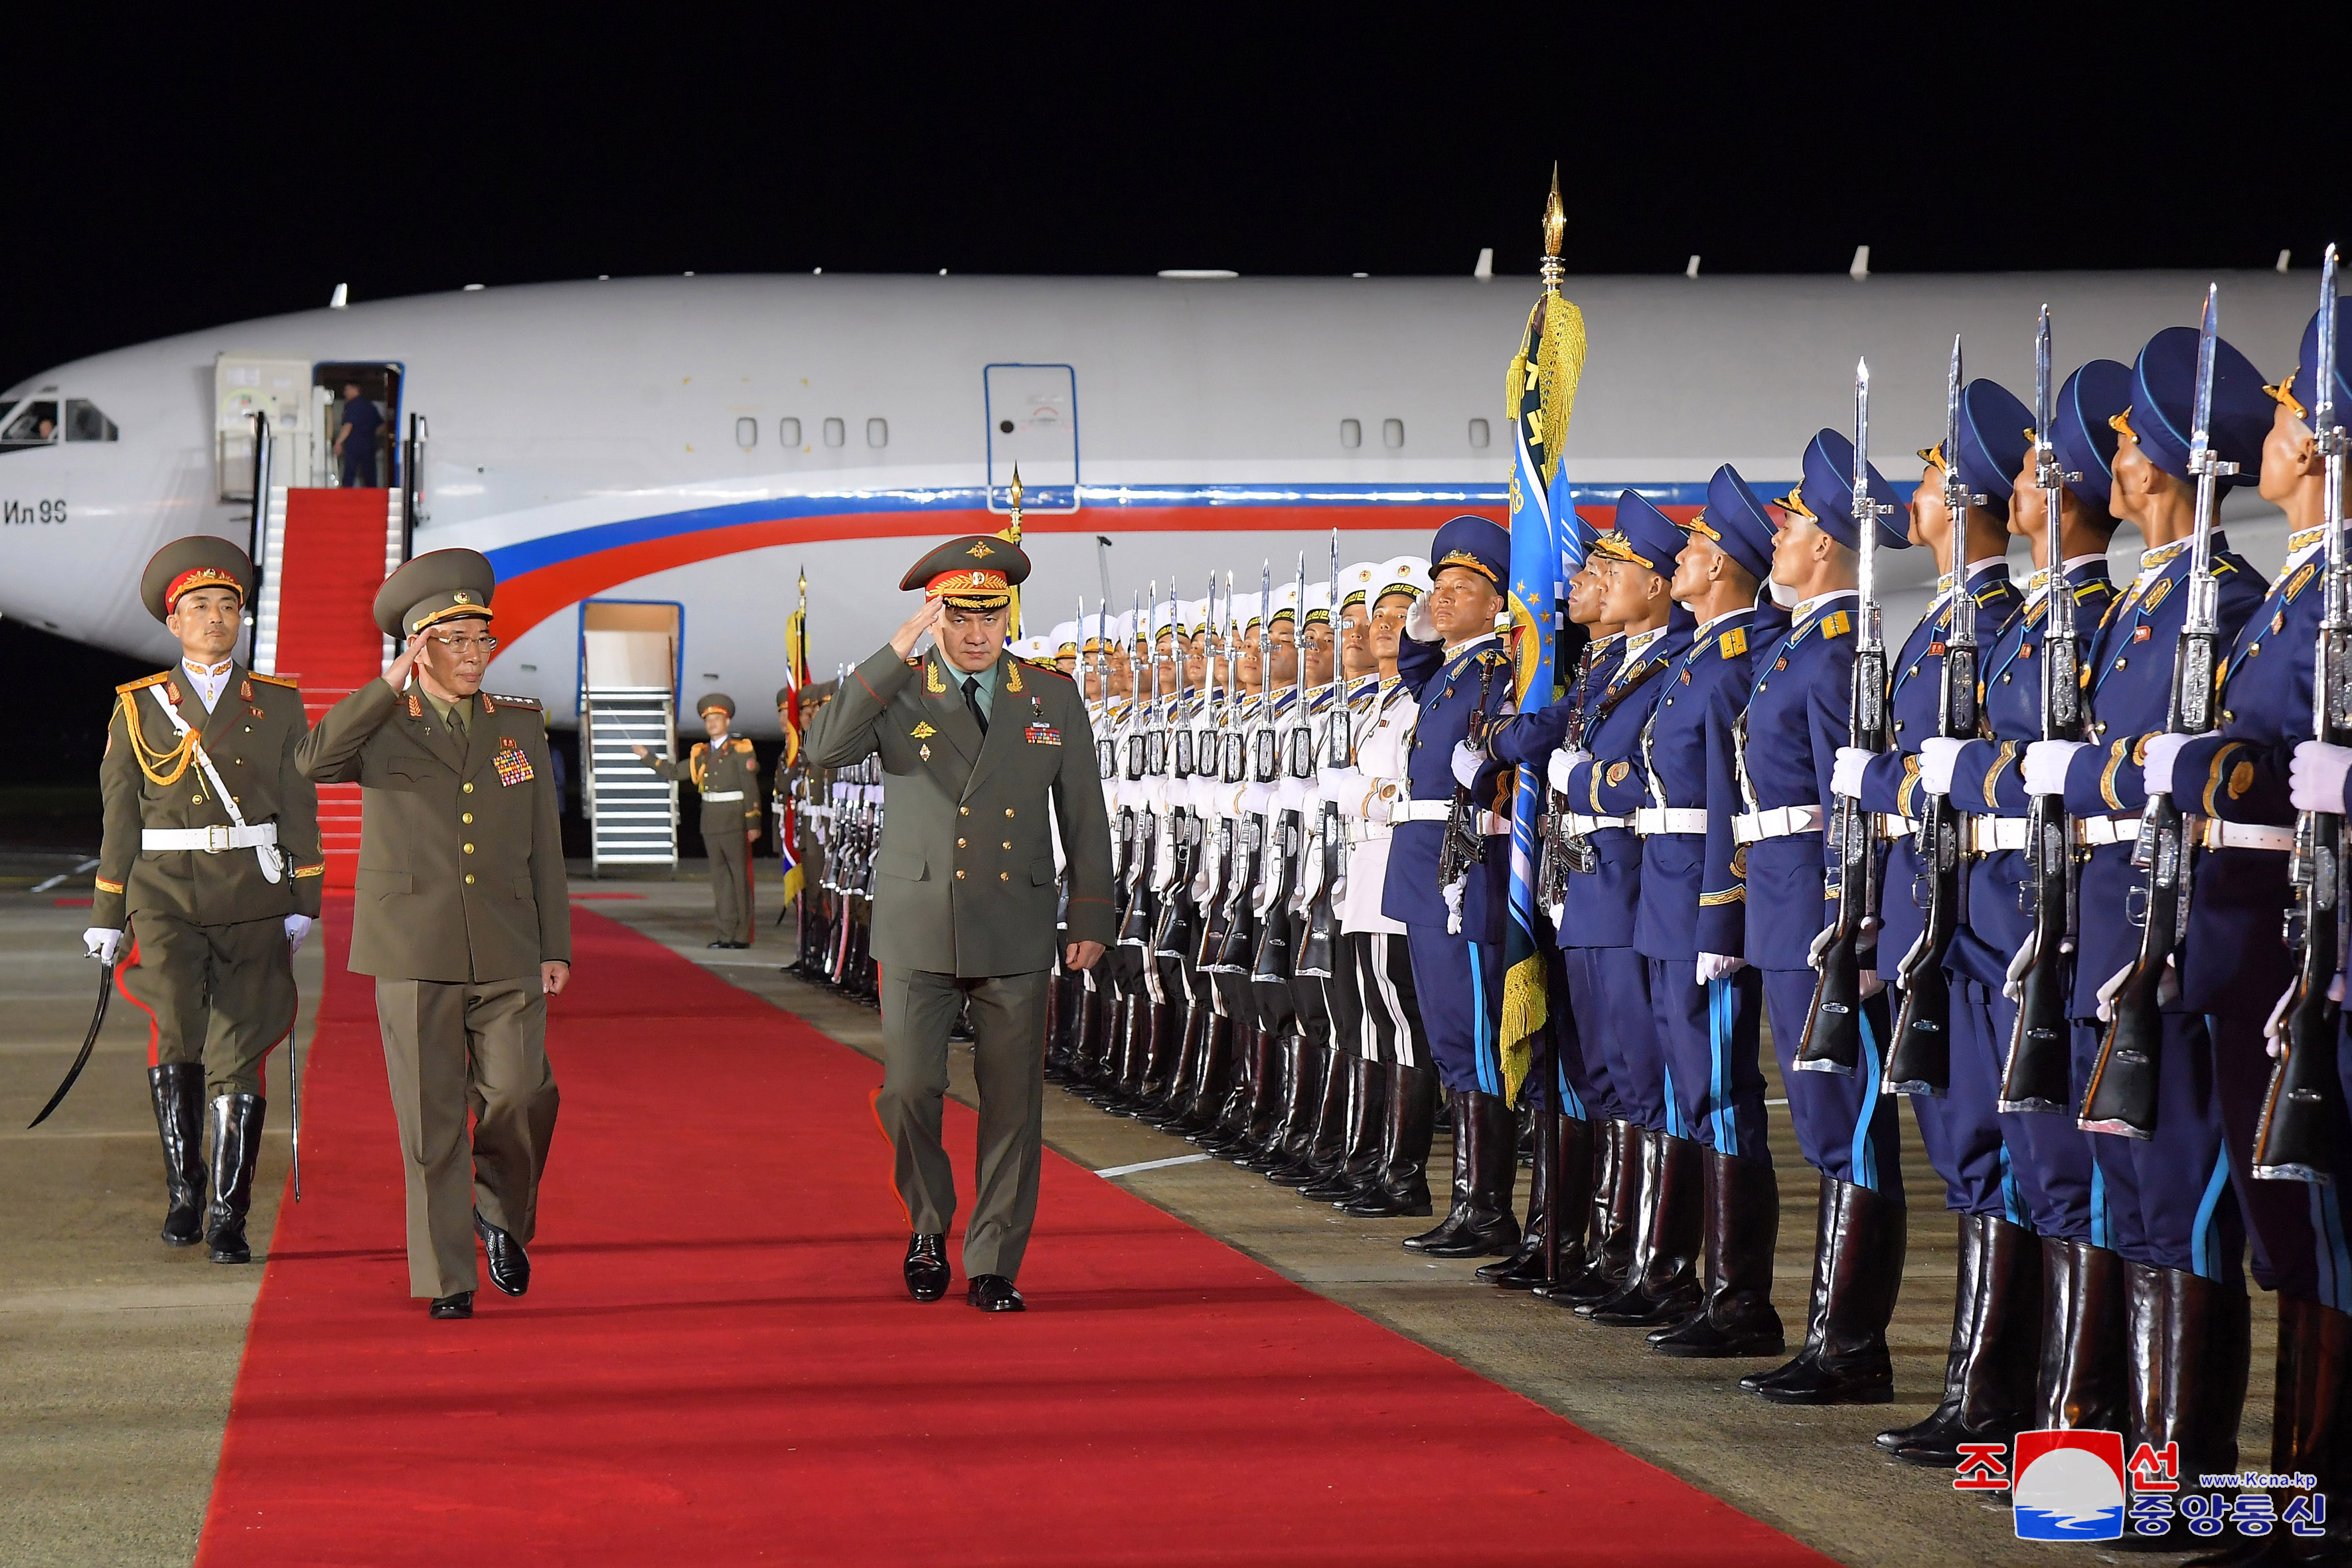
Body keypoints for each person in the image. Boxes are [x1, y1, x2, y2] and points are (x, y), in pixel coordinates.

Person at [2026, 324, 2272, 1513]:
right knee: (2124, 1202)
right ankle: (2102, 1476)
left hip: (2177, 924)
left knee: (2182, 1207)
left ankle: (2184, 1478)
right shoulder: (2139, 608)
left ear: (2171, 466)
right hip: (2108, 919)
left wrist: (2096, 773)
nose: (2107, 472)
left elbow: (2188, 770)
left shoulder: (2224, 601)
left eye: (2126, 452)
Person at [800, 534, 1113, 1312]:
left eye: (992, 616)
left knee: (1014, 1102)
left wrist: (1092, 911)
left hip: (1015, 921)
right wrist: (893, 649)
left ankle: (995, 1260)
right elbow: (822, 749)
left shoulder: (1050, 696)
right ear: (934, 615)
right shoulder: (896, 690)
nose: (978, 634)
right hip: (919, 924)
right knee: (908, 1089)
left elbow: (1085, 814)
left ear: (1008, 613)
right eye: (961, 618)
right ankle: (928, 1224)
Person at [1835, 379, 2031, 1467]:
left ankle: (1994, 1390)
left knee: (2004, 1162)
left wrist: (1896, 784)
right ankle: (1975, 1385)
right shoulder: (1931, 629)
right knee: (1963, 1158)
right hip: (1930, 925)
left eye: (1921, 482)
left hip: (1987, 923)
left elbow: (1980, 783)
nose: (1906, 502)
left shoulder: (1993, 627)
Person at [297, 548, 569, 1320]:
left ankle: (499, 1212)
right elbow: (314, 759)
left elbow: (543, 843)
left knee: (521, 1094)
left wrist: (556, 944)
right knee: (431, 1122)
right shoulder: (384, 724)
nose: (478, 654)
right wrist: (386, 686)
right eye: (457, 641)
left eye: (483, 640)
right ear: (419, 647)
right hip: (414, 947)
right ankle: (449, 1276)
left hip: (509, 943)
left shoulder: (516, 725)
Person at [1939, 361, 2128, 1441]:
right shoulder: (2031, 621)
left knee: (2071, 1176)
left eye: (2026, 477)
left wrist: (1967, 777)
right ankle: (1998, 1395)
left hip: (2048, 917)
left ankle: (2073, 1418)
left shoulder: (2088, 616)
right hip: (1991, 911)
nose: (2005, 495)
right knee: (2005, 1158)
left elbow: (2070, 764)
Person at [1733, 429, 1913, 1407]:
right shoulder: (1800, 640)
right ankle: (1828, 1334)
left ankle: (1849, 1345)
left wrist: (1863, 924)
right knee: (1820, 1123)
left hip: (1818, 907)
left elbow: (1857, 806)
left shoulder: (1841, 648)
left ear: (1831, 545)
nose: (1779, 533)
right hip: (1780, 899)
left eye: (1794, 521)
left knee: (1847, 1123)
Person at [88, 537, 323, 1263]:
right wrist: (107, 912)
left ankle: (228, 1211)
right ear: (174, 621)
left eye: (228, 606)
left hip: (251, 892)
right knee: (181, 1032)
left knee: (240, 1042)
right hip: (163, 896)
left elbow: (297, 802)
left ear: (242, 618)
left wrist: (302, 894)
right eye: (199, 607)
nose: (215, 618)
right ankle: (183, 1191)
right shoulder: (138, 707)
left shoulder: (278, 703)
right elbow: (120, 815)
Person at [1630, 467, 1785, 1358]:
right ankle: (1688, 1276)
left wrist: (1721, 913)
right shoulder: (1700, 652)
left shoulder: (1733, 657)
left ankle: (1739, 1298)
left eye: (1692, 548)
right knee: (1689, 1090)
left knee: (1722, 1094)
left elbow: (1731, 796)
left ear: (1723, 566)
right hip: (1666, 891)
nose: (1679, 557)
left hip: (1701, 898)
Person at [1387, 516, 1521, 1259]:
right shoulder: (1448, 671)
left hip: (1461, 870)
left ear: (1497, 601)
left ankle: (1489, 1206)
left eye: (1460, 588)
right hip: (1424, 868)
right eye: (1437, 587)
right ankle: (1469, 1200)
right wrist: (1422, 618)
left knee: (1474, 1037)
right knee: (1448, 1040)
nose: (1441, 600)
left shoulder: (1500, 668)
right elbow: (1413, 670)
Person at [1328, 556, 1440, 1217]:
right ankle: (1369, 1160)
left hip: (1398, 874)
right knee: (1370, 1023)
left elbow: (1411, 791)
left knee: (1403, 1027)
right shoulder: (1381, 702)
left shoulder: (1422, 700)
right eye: (1381, 619)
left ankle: (1404, 1174)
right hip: (1365, 878)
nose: (1389, 629)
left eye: (1404, 619)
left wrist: (1359, 793)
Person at [635, 694, 761, 949]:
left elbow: (751, 788)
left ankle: (741, 935)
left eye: (717, 719)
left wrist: (753, 823)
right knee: (720, 881)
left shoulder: (740, 751)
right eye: (709, 720)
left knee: (740, 880)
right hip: (712, 822)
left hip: (734, 820)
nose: (712, 724)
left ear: (726, 721)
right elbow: (673, 772)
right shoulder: (702, 754)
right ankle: (725, 934)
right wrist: (648, 756)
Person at [336, 382, 384, 488]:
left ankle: (345, 499)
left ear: (355, 390)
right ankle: (372, 498)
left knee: (350, 473)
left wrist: (339, 442)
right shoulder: (370, 406)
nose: (345, 393)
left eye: (347, 390)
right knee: (369, 474)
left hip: (354, 444)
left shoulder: (353, 405)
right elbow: (382, 426)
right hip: (369, 444)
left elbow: (348, 426)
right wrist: (371, 434)